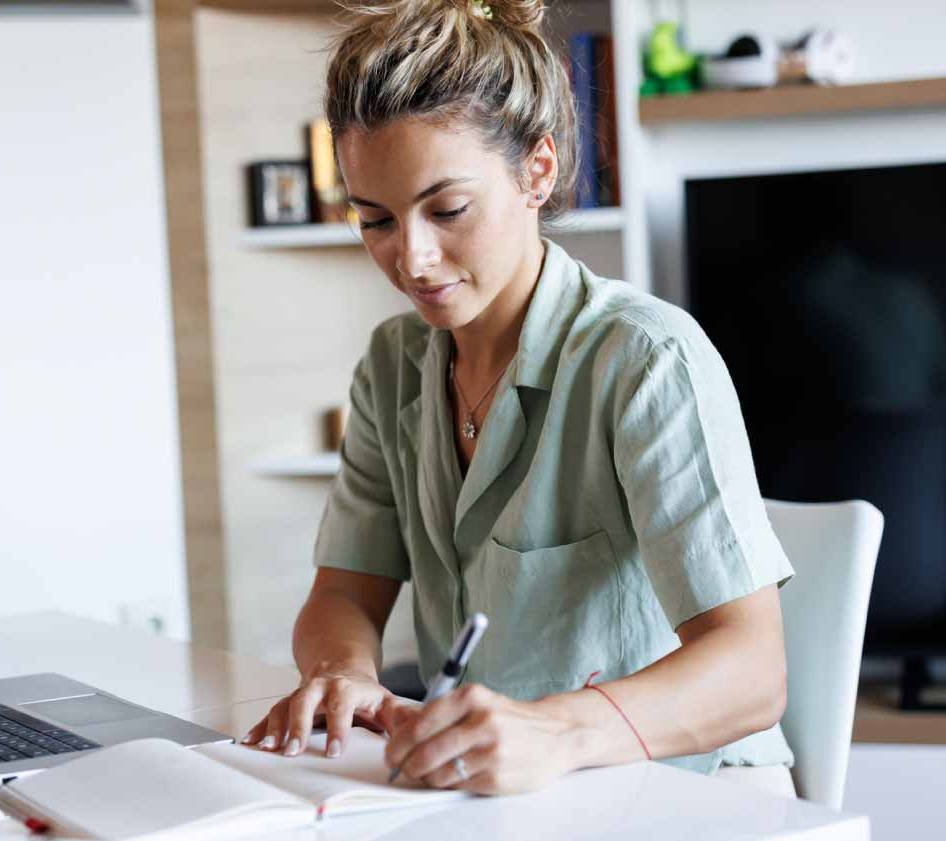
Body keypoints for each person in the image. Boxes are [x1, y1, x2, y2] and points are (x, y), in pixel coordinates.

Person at [243, 0, 798, 798]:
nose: (414, 259)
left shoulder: (645, 359)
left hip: (686, 793)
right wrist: (343, 672)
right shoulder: (394, 365)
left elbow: (752, 671)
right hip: (497, 797)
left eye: (448, 210)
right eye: (375, 220)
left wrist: (558, 732)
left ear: (537, 171)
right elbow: (342, 592)